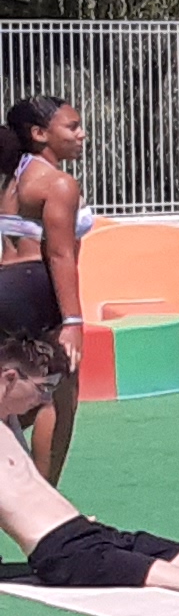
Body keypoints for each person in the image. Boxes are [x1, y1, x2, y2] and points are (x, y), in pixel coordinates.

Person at [0, 336, 179, 613]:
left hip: (86, 533)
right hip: (62, 553)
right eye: (43, 387)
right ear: (10, 378)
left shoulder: (9, 423)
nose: (45, 398)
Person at [0, 95, 91, 481]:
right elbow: (60, 254)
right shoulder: (58, 183)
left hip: (7, 289)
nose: (82, 134)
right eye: (72, 127)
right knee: (57, 391)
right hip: (37, 292)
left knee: (12, 394)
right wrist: (72, 320)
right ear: (40, 134)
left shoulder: (11, 179)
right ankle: (45, 501)